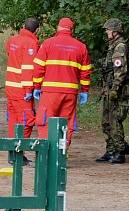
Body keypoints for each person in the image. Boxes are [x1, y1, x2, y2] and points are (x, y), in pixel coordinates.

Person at [32, 17, 91, 148]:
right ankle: (61, 154)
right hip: (70, 93)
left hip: (50, 92)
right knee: (67, 123)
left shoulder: (48, 44)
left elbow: (38, 68)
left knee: (45, 121)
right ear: (72, 30)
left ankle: (46, 154)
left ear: (58, 28)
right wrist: (85, 91)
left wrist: (36, 86)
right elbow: (85, 72)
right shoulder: (81, 47)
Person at [98, 18, 129, 164]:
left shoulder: (120, 47)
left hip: (116, 90)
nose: (106, 32)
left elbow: (120, 71)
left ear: (115, 31)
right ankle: (111, 149)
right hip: (109, 89)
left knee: (115, 120)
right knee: (106, 121)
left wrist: (115, 89)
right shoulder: (112, 46)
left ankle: (119, 152)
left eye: (108, 30)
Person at [5, 18, 40, 138]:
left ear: (23, 27)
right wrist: (28, 90)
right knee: (27, 121)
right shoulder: (31, 43)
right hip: (21, 91)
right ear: (37, 30)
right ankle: (19, 153)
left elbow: (10, 55)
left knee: (13, 121)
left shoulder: (12, 40)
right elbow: (27, 69)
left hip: (10, 89)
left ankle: (13, 153)